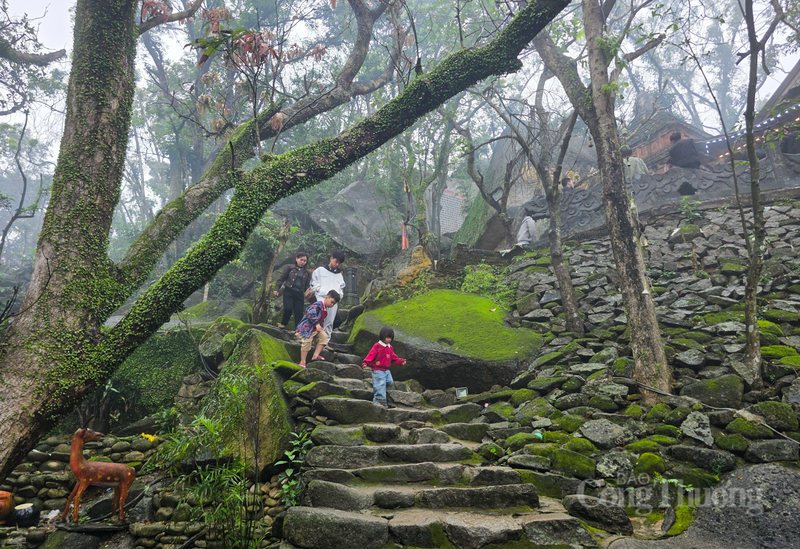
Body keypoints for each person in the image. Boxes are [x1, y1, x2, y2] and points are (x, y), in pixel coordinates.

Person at [361, 326, 406, 407]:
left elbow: (393, 358)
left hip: (386, 370)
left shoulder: (390, 347)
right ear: (382, 336)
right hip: (378, 369)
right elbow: (371, 355)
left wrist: (400, 362)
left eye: (391, 338)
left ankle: (379, 390)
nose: (389, 339)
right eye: (388, 337)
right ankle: (379, 400)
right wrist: (365, 362)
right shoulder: (377, 346)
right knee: (380, 383)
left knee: (390, 382)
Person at [295, 290, 340, 367]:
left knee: (324, 337)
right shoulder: (317, 305)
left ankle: (315, 355)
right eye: (331, 302)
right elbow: (311, 313)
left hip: (316, 329)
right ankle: (302, 361)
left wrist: (320, 326)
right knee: (306, 343)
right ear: (326, 298)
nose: (332, 305)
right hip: (307, 328)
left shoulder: (325, 309)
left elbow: (321, 319)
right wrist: (317, 324)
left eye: (334, 304)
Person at [310, 251, 346, 339]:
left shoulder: (339, 275)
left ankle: (325, 342)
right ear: (331, 258)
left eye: (339, 263)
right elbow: (313, 283)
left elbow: (341, 288)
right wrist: (321, 290)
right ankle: (312, 338)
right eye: (336, 261)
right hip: (321, 298)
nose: (337, 264)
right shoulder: (320, 270)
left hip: (333, 302)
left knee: (329, 322)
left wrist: (339, 296)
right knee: (318, 319)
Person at [273, 251, 311, 329]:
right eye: (301, 260)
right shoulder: (290, 267)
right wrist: (277, 289)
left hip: (299, 293)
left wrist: (308, 296)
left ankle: (298, 330)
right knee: (288, 308)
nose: (302, 262)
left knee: (299, 312)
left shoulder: (307, 272)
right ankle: (283, 324)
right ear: (296, 259)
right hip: (289, 291)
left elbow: (307, 286)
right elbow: (282, 279)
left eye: (304, 261)